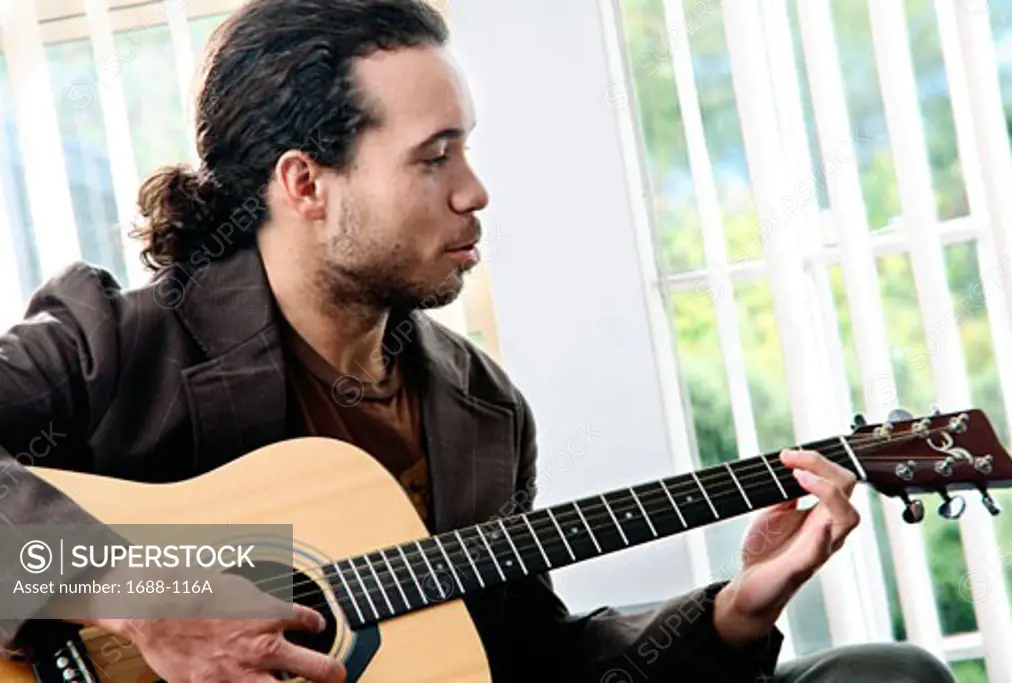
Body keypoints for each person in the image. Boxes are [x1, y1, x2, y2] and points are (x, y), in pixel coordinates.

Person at [0, 0, 957, 681]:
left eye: (467, 148)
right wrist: (150, 594)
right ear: (305, 184)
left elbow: (522, 655)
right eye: (434, 156)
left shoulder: (479, 405)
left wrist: (738, 609)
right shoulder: (114, 344)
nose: (474, 190)